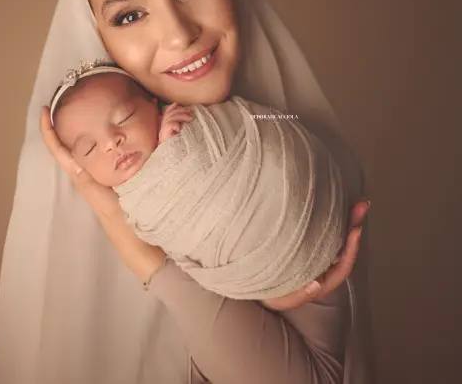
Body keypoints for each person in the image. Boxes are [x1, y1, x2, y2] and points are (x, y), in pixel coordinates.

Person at [0, 0, 374, 384]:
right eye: (129, 15)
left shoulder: (310, 145)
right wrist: (103, 204)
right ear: (97, 37)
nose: (179, 34)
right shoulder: (71, 181)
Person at [49, 62, 352, 302]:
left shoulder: (188, 122)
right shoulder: (129, 202)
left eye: (124, 117)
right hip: (258, 280)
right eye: (89, 148)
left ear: (155, 104)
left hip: (317, 208)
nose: (112, 143)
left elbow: (269, 122)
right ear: (83, 168)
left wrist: (174, 146)